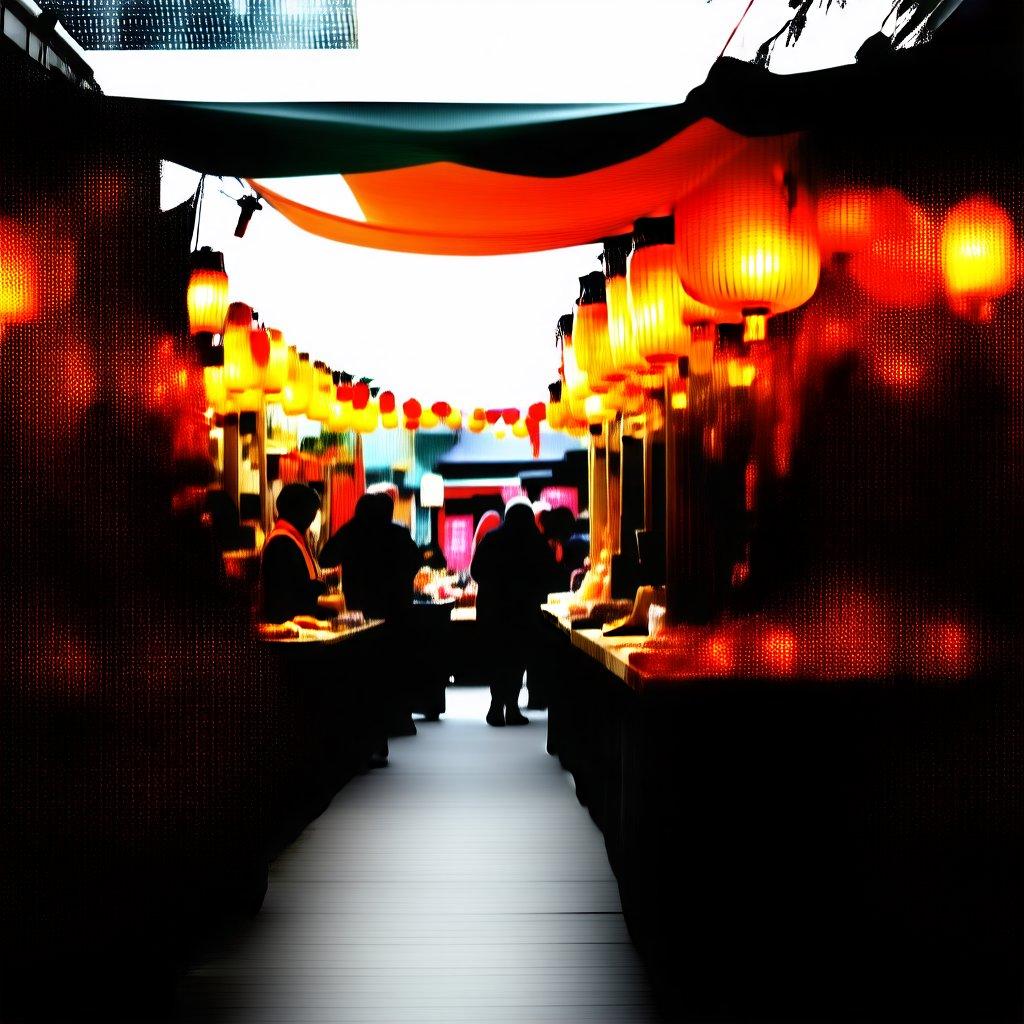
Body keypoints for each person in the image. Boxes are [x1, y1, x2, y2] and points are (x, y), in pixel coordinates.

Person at [470, 500, 555, 727]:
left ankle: (496, 706)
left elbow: (475, 571)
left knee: (497, 657)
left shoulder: (491, 538)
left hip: (493, 610)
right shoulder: (536, 542)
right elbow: (550, 575)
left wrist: (494, 585)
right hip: (524, 611)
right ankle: (513, 708)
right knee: (518, 659)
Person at [260, 483, 328, 623]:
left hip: (298, 620)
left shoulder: (291, 537)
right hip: (290, 624)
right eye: (312, 511)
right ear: (299, 511)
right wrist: (320, 587)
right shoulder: (282, 541)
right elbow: (289, 590)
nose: (313, 518)